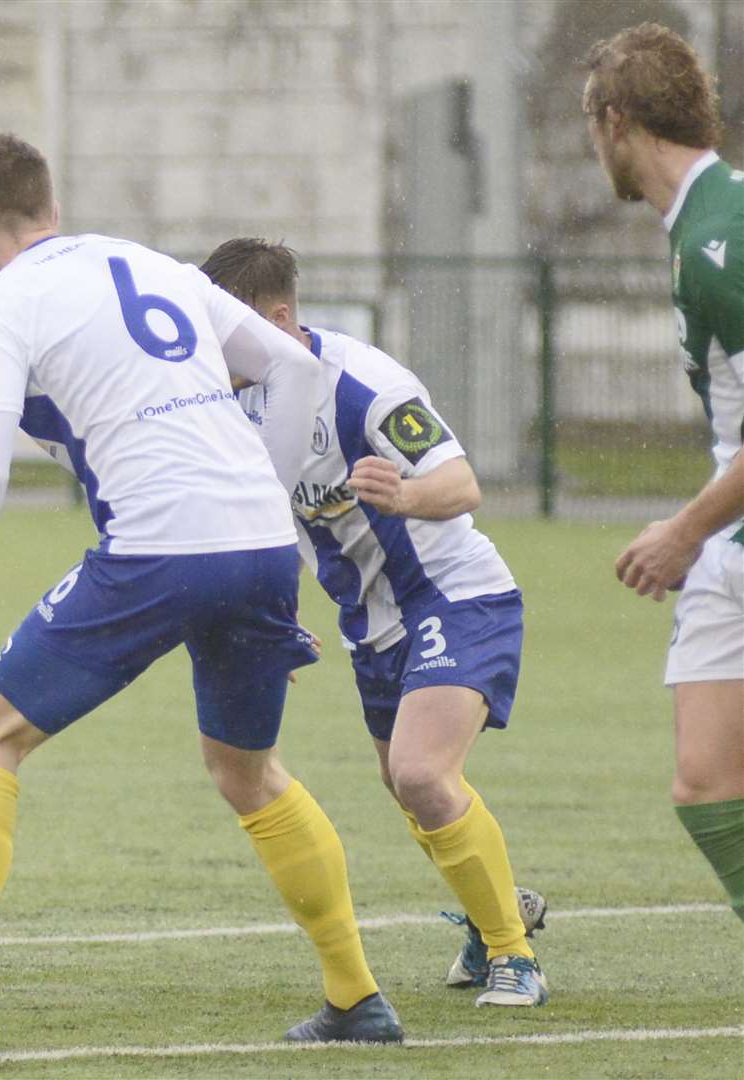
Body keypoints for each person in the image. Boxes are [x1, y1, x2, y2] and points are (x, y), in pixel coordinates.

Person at [0, 134, 401, 1052]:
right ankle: (357, 997)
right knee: (246, 771)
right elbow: (292, 366)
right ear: (49, 205)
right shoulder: (152, 263)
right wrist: (265, 496)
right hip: (259, 544)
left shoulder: (2, 300)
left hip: (157, 545)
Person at [202, 239, 549, 1006]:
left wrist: (403, 497)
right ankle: (495, 904)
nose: (213, 345)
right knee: (408, 785)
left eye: (226, 326)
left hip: (457, 596)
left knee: (422, 773)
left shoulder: (362, 386)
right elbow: (274, 523)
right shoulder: (241, 399)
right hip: (375, 627)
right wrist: (274, 624)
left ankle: (513, 955)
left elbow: (461, 485)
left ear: (277, 317)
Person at [583, 23, 744, 922]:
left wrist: (686, 529)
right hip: (732, 538)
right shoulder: (698, 229)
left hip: (724, 532)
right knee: (707, 782)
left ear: (615, 122)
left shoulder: (725, 236)